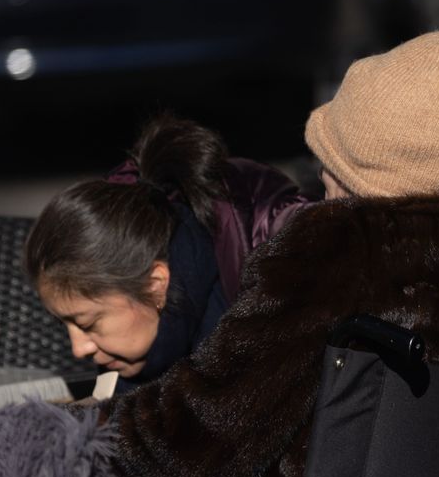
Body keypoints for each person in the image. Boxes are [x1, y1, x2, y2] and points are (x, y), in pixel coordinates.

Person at [94, 29, 439, 477]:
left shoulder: (336, 255)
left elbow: (204, 433)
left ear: (366, 174)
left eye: (331, 162)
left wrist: (80, 431)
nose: (319, 177)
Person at [24, 114, 310, 393]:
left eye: (88, 323)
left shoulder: (276, 283)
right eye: (66, 325)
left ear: (156, 285)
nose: (78, 349)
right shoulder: (144, 357)